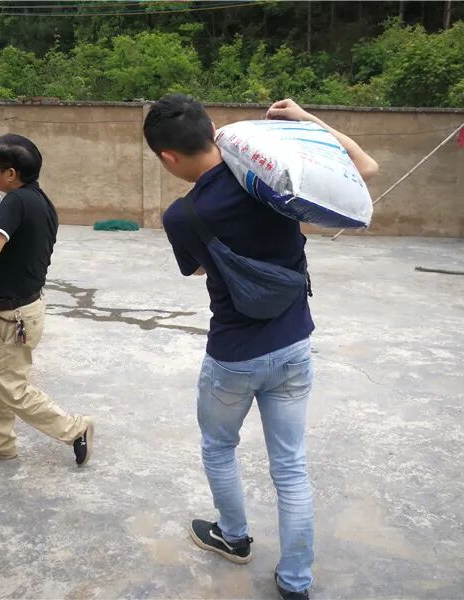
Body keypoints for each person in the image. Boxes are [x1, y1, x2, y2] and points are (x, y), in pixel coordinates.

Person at [143, 96, 378, 599]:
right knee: (290, 468)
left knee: (219, 447)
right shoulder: (272, 178)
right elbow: (364, 167)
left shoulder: (182, 216)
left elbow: (199, 269)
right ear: (213, 128)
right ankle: (295, 582)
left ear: (168, 157)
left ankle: (233, 538)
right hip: (294, 344)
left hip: (234, 355)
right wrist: (305, 121)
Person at [0, 133, 94, 466]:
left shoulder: (16, 202)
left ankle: (75, 429)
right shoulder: (40, 201)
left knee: (11, 387)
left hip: (13, 316)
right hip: (17, 310)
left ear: (10, 173)